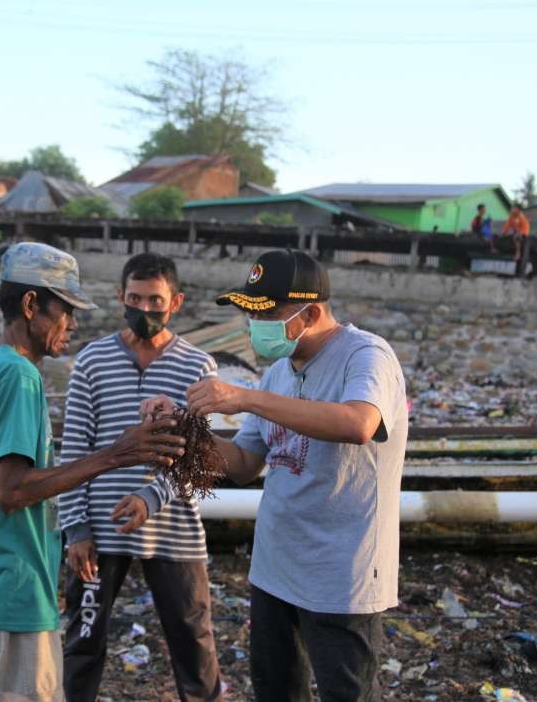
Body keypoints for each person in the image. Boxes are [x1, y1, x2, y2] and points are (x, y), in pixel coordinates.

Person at [145, 249, 408, 702]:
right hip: (275, 570)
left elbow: (358, 423)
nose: (255, 324)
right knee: (276, 691)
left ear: (313, 311)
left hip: (340, 578)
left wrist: (245, 398)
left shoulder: (366, 356)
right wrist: (181, 432)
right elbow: (245, 462)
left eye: (268, 312)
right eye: (251, 312)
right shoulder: (275, 375)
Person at [0, 242, 186, 702]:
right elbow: (12, 490)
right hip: (10, 591)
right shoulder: (19, 377)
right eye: (66, 310)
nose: (73, 324)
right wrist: (116, 454)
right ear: (31, 304)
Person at [58, 253, 222, 702]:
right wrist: (76, 529)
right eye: (134, 299)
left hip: (174, 531)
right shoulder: (92, 361)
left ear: (176, 302)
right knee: (83, 643)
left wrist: (151, 498)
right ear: (119, 297)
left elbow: (197, 461)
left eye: (155, 300)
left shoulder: (198, 367)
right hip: (99, 530)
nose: (144, 309)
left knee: (194, 644)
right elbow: (74, 449)